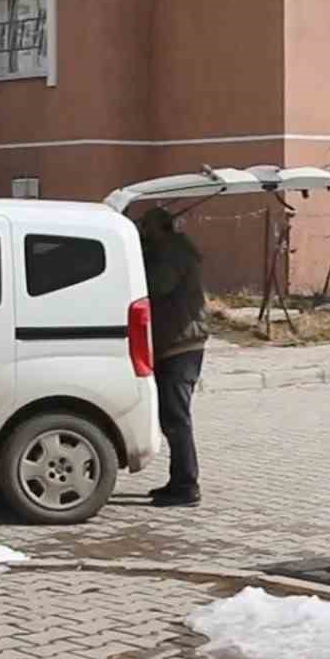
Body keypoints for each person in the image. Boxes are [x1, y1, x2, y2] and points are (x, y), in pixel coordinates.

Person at [138, 207, 207, 508]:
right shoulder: (170, 249)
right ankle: (178, 479)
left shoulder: (172, 254)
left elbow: (157, 286)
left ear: (158, 229)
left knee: (177, 418)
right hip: (176, 342)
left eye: (145, 229)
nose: (142, 233)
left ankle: (187, 485)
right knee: (171, 417)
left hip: (182, 344)